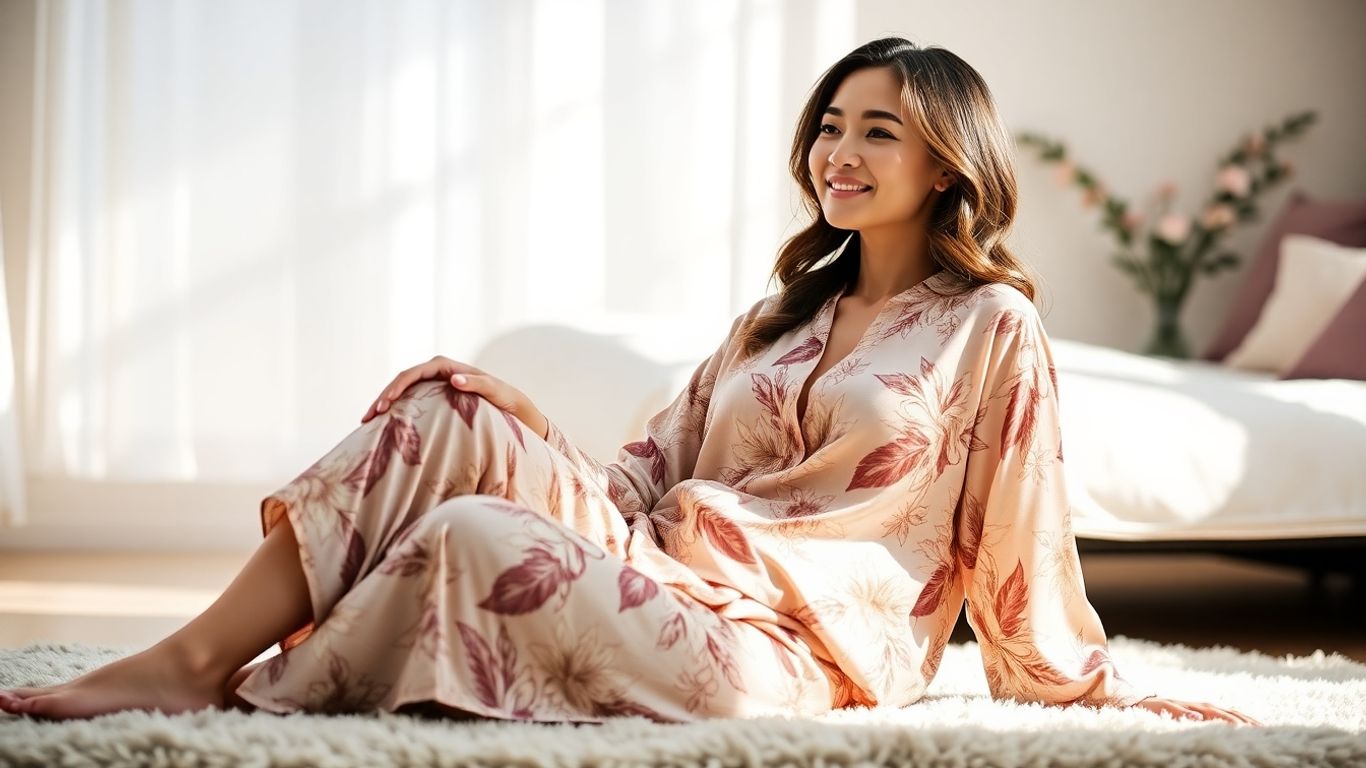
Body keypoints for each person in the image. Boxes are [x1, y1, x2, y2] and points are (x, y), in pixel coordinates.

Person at [0, 36, 1259, 727]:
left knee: (478, 537)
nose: (840, 150)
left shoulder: (989, 325)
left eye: (878, 129)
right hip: (667, 558)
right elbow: (642, 472)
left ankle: (271, 686)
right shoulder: (780, 314)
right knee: (452, 405)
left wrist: (1093, 689)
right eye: (830, 123)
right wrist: (514, 435)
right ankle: (186, 659)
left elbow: (1021, 542)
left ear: (946, 163)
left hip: (786, 650)